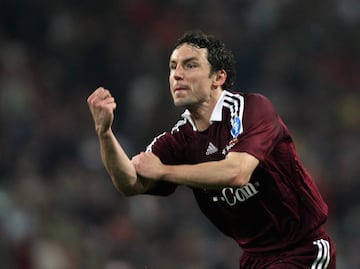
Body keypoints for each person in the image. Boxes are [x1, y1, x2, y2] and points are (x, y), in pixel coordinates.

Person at [87, 30, 336, 268]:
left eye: (190, 65)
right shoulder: (178, 139)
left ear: (218, 77)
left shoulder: (251, 109)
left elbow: (237, 172)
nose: (177, 74)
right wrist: (105, 134)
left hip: (303, 249)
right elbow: (129, 183)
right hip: (254, 259)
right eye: (173, 67)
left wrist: (164, 171)